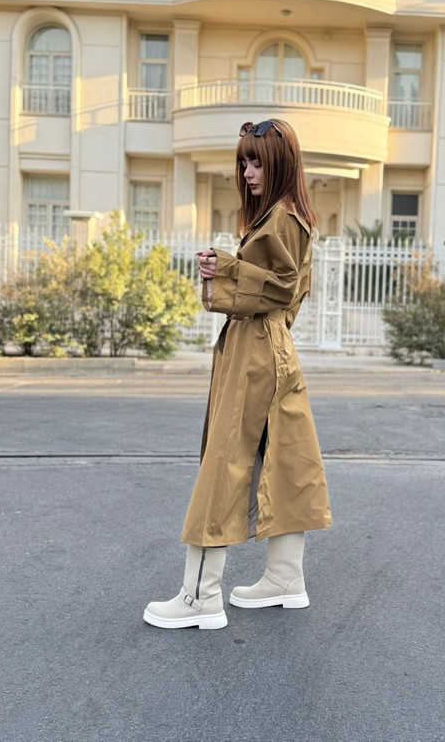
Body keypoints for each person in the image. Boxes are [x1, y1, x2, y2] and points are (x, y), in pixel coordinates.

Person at [143, 119, 332, 630]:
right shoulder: (286, 215)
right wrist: (231, 272)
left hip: (256, 350)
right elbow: (288, 292)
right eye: (244, 162)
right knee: (283, 458)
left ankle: (200, 596)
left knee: (224, 460)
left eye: (258, 162)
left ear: (281, 165)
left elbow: (281, 287)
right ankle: (285, 577)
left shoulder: (281, 218)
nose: (248, 172)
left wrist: (225, 269)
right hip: (272, 347)